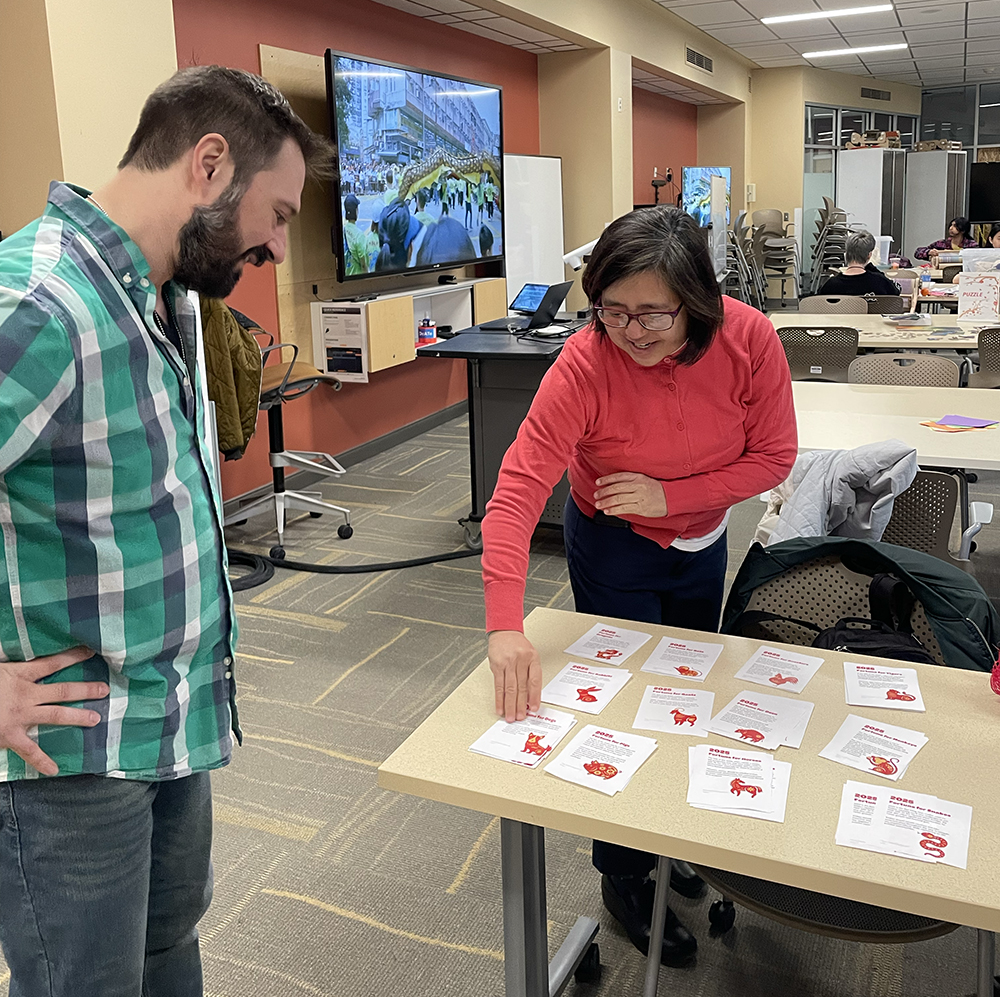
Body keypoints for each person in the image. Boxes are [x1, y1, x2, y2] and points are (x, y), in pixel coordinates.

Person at [0, 65, 332, 996]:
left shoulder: (162, 296)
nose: (275, 244)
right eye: (274, 213)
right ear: (210, 164)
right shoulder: (43, 303)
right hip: (70, 757)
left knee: (165, 949)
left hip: (167, 720)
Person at [481, 206, 797, 969]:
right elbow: (520, 487)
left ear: (697, 297)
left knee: (689, 700)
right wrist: (504, 621)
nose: (632, 330)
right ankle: (625, 873)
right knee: (625, 709)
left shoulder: (749, 338)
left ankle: (671, 840)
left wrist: (670, 496)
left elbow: (775, 457)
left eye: (654, 311)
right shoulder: (586, 360)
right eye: (612, 310)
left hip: (701, 544)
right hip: (613, 549)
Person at [816, 231, 902, 297]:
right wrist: (872, 269)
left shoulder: (831, 285)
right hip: (873, 320)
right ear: (869, 255)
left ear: (846, 255)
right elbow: (897, 290)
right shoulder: (880, 282)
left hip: (839, 320)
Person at [342, 192, 369, 275]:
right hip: (357, 278)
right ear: (356, 211)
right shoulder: (359, 235)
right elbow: (363, 264)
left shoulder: (343, 231)